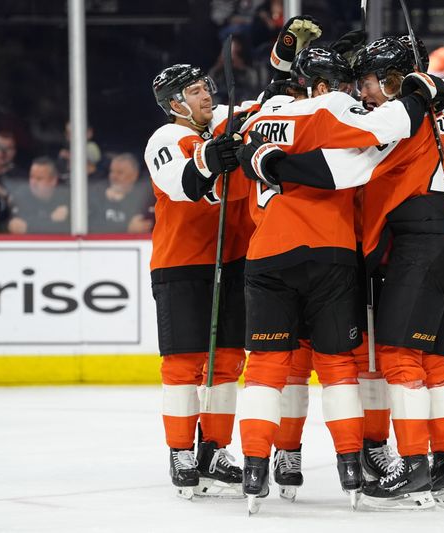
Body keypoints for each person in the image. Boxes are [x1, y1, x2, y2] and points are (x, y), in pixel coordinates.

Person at [238, 36, 444, 509]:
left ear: (392, 80)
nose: (361, 93)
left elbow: (343, 169)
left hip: (415, 245)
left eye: (367, 82)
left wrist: (268, 163)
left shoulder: (395, 119)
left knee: (399, 357)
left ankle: (414, 466)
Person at [144, 61, 258, 500]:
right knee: (184, 364)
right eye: (194, 91)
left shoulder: (219, 123)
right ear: (175, 104)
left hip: (232, 261)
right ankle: (180, 451)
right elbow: (184, 184)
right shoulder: (166, 138)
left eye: (205, 87)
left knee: (226, 362)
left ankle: (213, 450)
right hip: (182, 263)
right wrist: (213, 156)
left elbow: (260, 108)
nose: (206, 95)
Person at [88, 153, 153, 233]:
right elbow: (88, 226)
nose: (114, 176)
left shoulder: (143, 199)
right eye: (112, 171)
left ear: (134, 175)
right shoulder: (96, 194)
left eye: (120, 172)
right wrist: (126, 228)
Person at [7, 157, 70, 234]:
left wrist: (31, 225)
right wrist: (50, 219)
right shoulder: (21, 196)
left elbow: (68, 228)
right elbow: (17, 226)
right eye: (31, 177)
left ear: (53, 181)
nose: (33, 183)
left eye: (39, 178)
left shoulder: (65, 197)